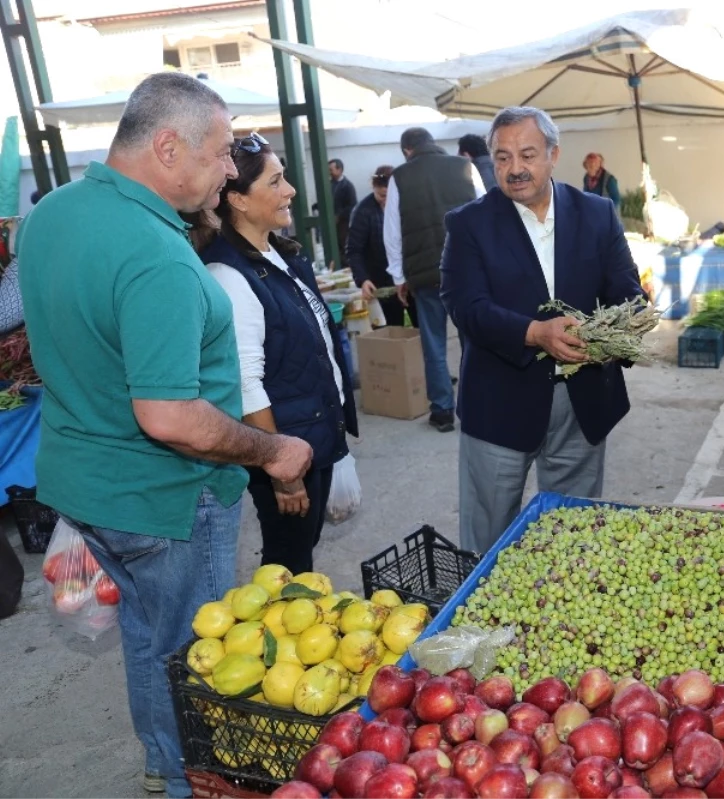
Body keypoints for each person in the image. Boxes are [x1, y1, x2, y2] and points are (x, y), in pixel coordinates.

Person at [16, 72, 312, 799]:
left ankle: (163, 763)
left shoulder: (51, 213)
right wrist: (273, 450)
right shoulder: (156, 253)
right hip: (167, 500)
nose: (226, 173)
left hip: (86, 485)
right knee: (198, 657)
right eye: (218, 157)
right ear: (168, 146)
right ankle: (195, 780)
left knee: (150, 639)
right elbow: (170, 416)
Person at [442, 106, 644, 554]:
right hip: (500, 403)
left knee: (573, 533)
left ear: (554, 154)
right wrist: (535, 333)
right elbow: (466, 307)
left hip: (582, 400)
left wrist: (617, 336)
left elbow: (627, 292)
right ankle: (482, 621)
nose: (514, 169)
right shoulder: (468, 223)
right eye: (502, 157)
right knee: (488, 535)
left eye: (527, 154)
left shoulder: (597, 213)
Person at [193, 132, 358, 575]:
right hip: (283, 447)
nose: (290, 191)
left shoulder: (280, 255)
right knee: (288, 558)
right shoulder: (229, 274)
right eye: (275, 182)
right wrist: (282, 472)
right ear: (239, 201)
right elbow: (247, 383)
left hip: (310, 435)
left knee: (302, 547)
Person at [383, 127, 486, 432]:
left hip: (426, 277)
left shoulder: (399, 177)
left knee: (434, 346)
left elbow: (392, 232)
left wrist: (399, 276)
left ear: (407, 150)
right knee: (473, 342)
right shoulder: (465, 167)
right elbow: (484, 215)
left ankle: (442, 411)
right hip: (467, 272)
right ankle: (476, 406)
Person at [346, 165, 416, 327]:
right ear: (373, 188)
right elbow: (354, 250)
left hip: (410, 277)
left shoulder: (408, 204)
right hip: (382, 280)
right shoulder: (363, 211)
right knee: (392, 327)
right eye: (381, 196)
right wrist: (363, 279)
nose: (386, 201)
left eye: (389, 196)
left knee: (422, 330)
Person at [329, 157, 357, 260]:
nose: (329, 173)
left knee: (343, 249)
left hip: (343, 225)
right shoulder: (328, 184)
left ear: (339, 169)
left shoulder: (348, 186)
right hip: (331, 224)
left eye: (331, 170)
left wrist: (339, 215)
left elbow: (352, 206)